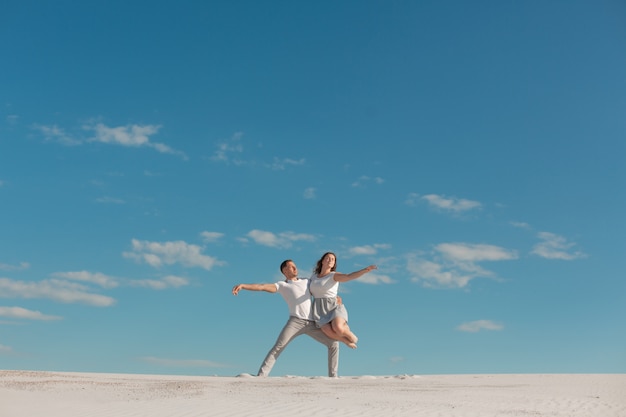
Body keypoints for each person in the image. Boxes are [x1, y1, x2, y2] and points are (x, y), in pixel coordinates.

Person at [232, 259, 340, 377]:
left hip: (313, 323)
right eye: (291, 266)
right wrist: (243, 286)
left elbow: (322, 291)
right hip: (295, 322)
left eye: (295, 266)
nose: (295, 268)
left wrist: (336, 297)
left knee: (333, 344)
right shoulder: (282, 285)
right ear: (284, 270)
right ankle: (261, 376)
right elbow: (262, 286)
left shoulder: (307, 281)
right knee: (278, 347)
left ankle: (333, 377)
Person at [309, 251, 377, 349]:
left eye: (333, 259)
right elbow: (306, 290)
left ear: (334, 264)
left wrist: (365, 270)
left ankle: (349, 334)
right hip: (319, 309)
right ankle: (346, 341)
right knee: (327, 331)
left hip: (333, 305)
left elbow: (349, 276)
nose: (330, 260)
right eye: (328, 258)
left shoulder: (334, 275)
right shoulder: (313, 277)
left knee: (338, 329)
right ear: (322, 261)